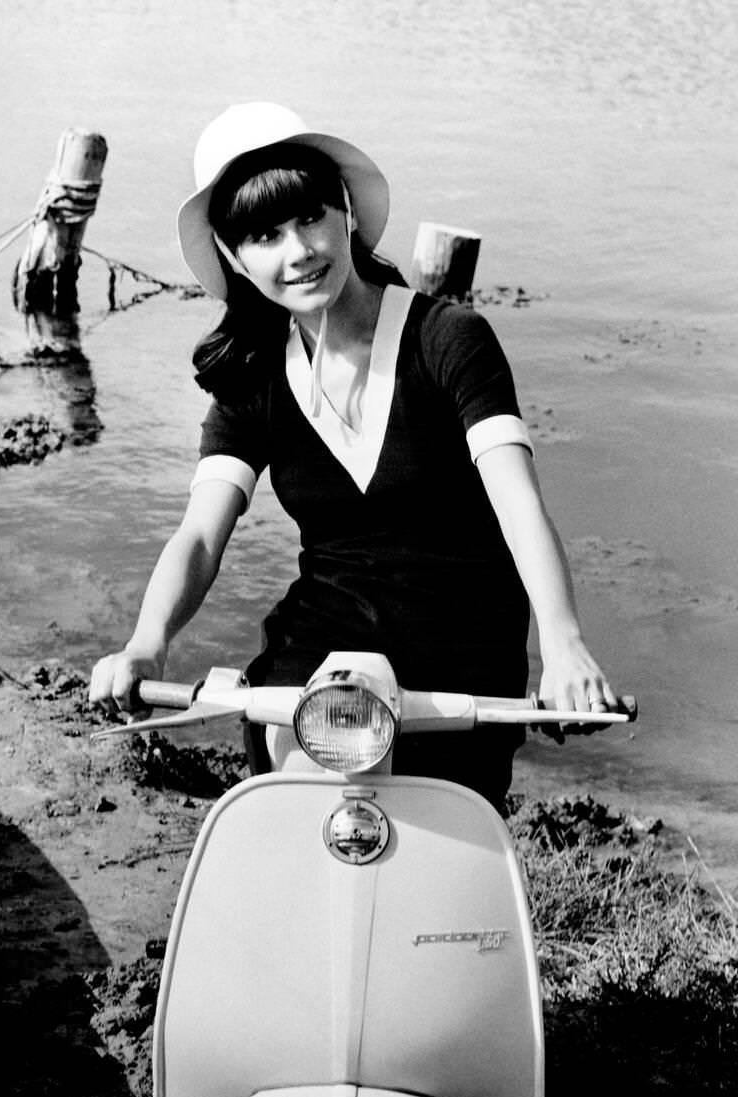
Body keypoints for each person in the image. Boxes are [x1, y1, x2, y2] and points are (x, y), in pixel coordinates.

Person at [89, 102, 618, 809]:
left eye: (311, 217)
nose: (299, 250)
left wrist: (564, 644)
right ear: (233, 257)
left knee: (439, 841)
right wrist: (147, 642)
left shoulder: (450, 340)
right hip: (324, 642)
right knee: (292, 811)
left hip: (460, 650)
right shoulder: (254, 375)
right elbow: (200, 534)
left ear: (347, 212)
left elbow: (519, 505)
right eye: (265, 235)